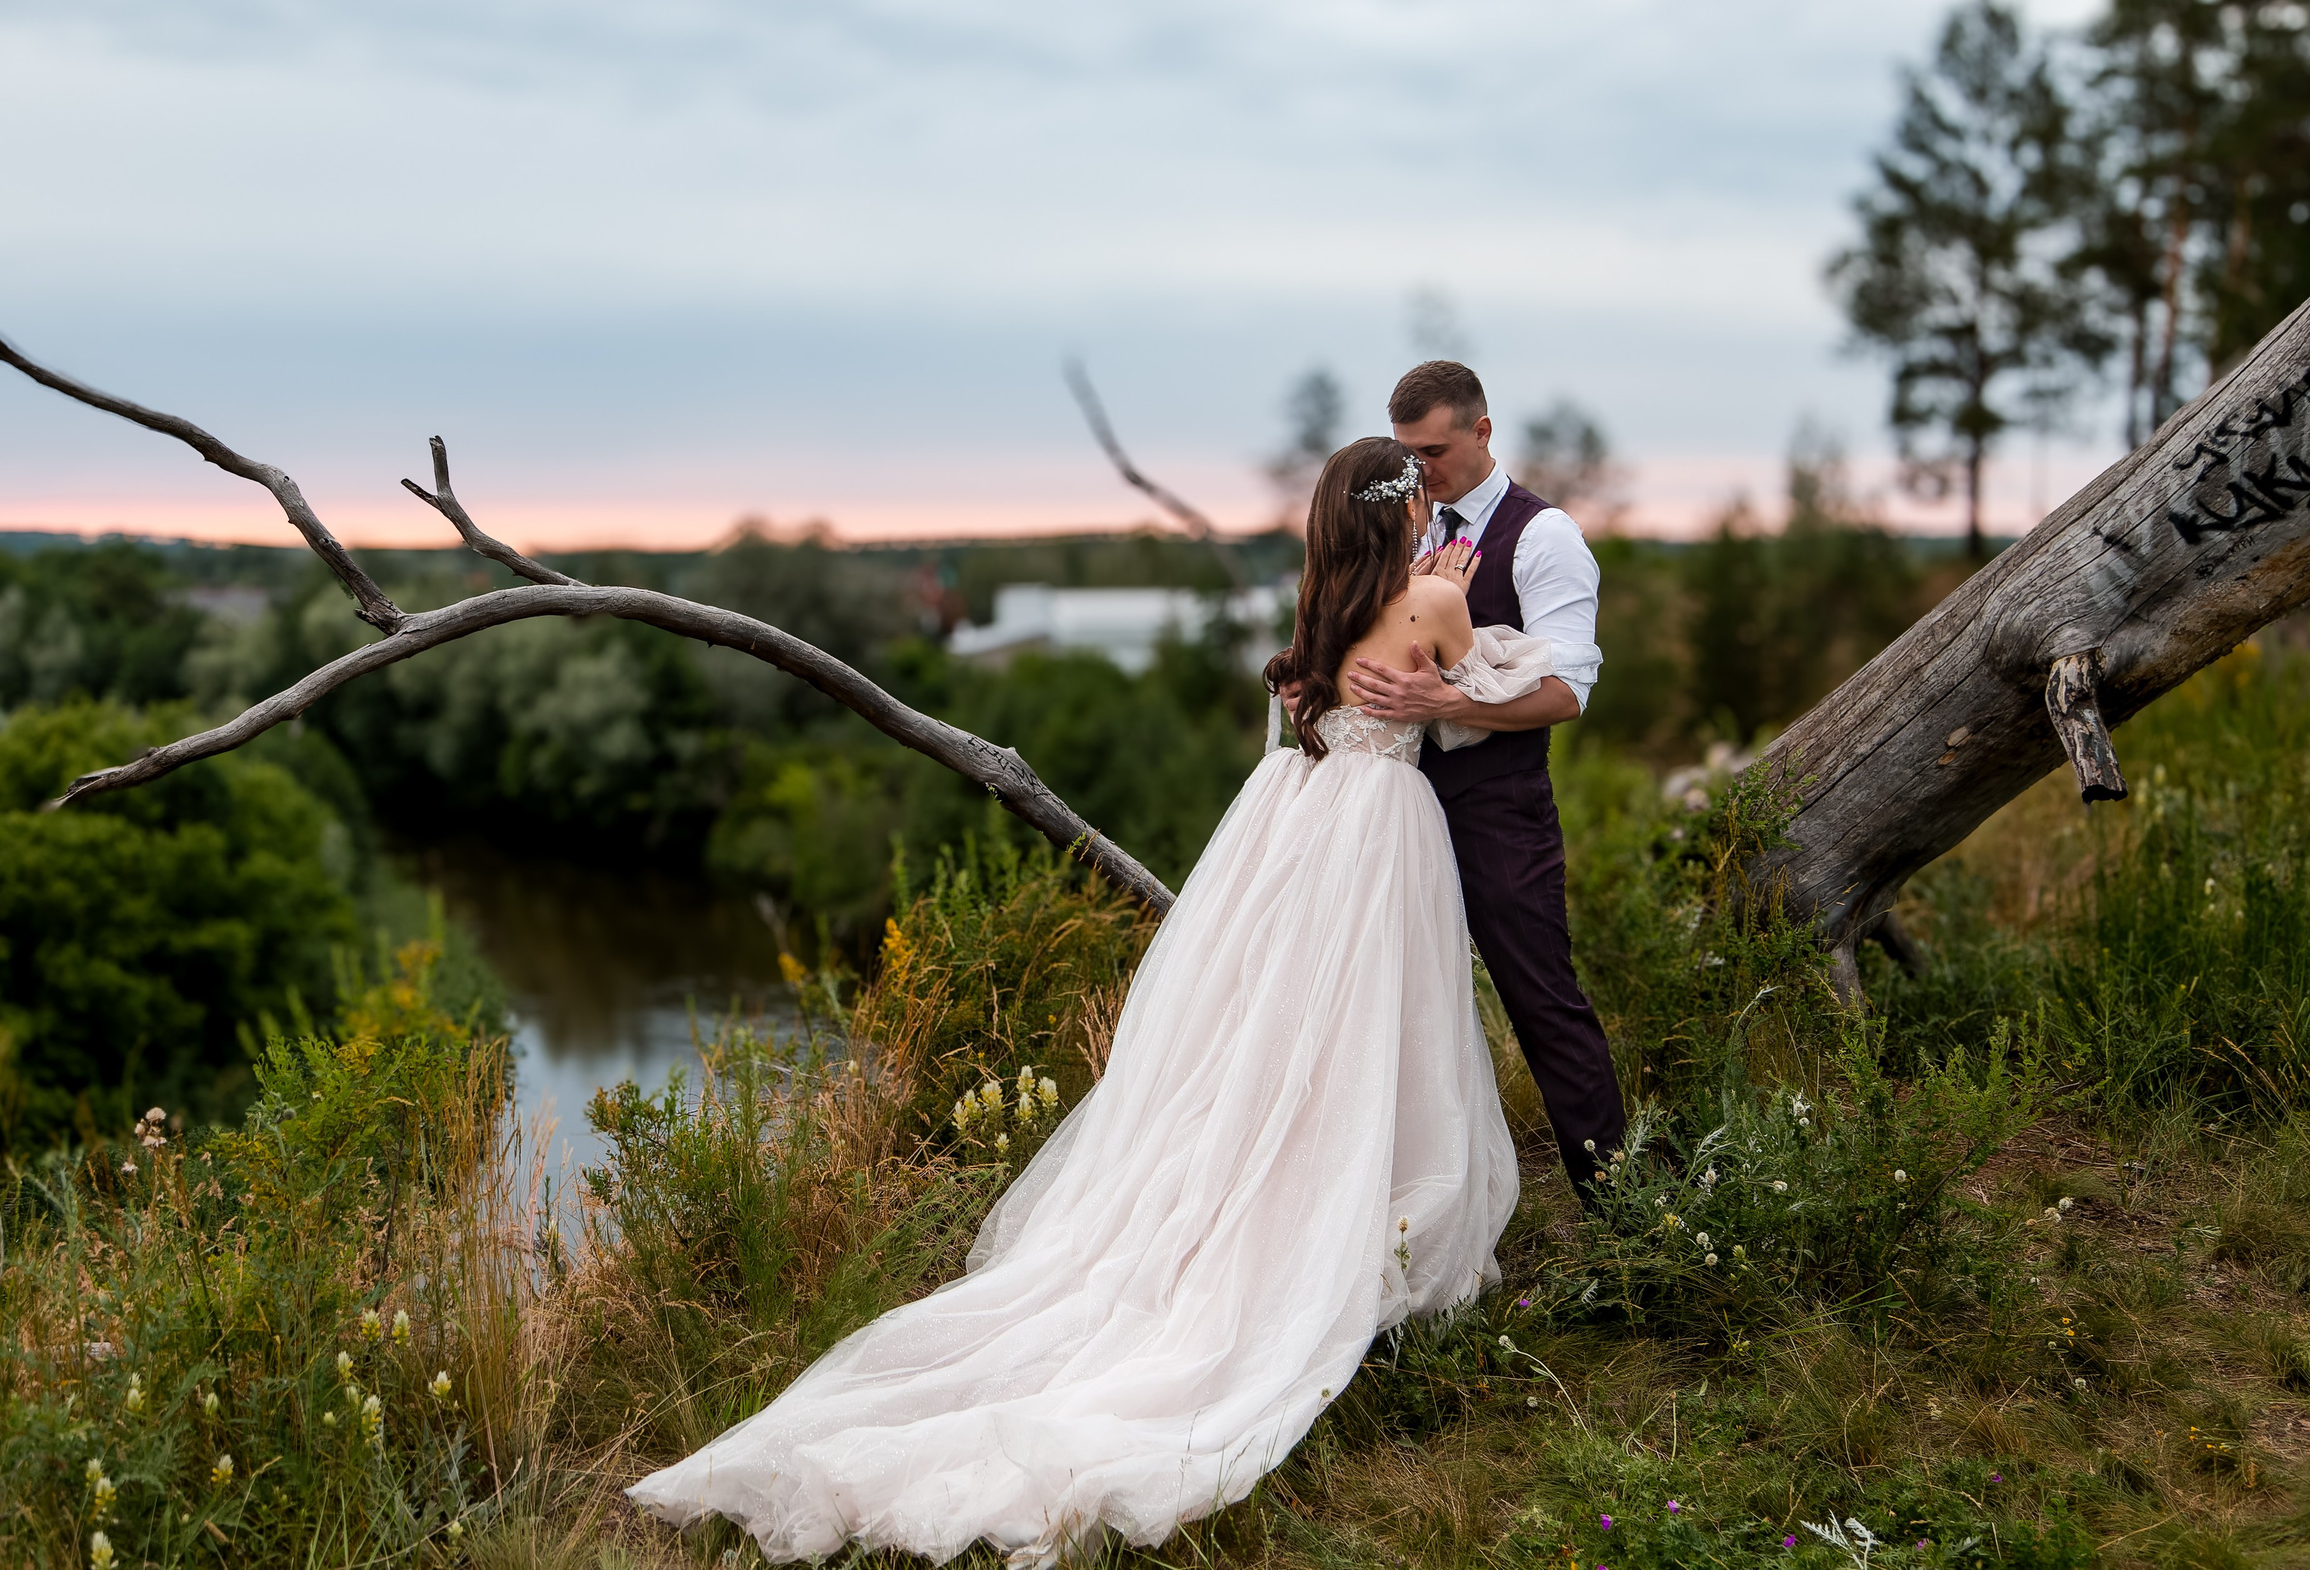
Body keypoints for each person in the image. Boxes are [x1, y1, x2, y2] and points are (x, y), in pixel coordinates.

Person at [627, 438, 1522, 1567]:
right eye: (1421, 500)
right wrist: (1459, 626)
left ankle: (1290, 1190)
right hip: (1378, 835)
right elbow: (1493, 704)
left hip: (1293, 835)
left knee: (1273, 1036)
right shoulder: (1435, 598)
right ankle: (1355, 1205)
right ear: (1399, 514)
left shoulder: (1316, 618)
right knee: (1372, 1032)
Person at [1345, 360, 1628, 1198]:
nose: (1417, 471)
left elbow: (1567, 692)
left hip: (1495, 810)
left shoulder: (1544, 537)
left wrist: (1449, 700)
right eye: (1406, 454)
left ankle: (1622, 1206)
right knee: (1381, 1009)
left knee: (1541, 1000)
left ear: (1482, 431)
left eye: (1432, 452)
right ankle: (1387, 1208)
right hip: (1381, 809)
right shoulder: (1395, 528)